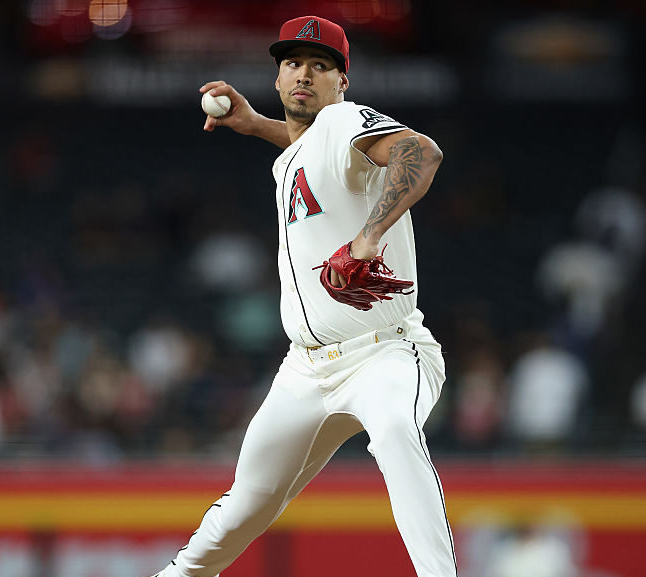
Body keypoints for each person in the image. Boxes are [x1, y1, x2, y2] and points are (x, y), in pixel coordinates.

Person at [150, 15, 454, 577]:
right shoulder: (296, 151)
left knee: (394, 433)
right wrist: (256, 124)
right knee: (248, 502)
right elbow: (311, 151)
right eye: (293, 63)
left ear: (343, 82)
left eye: (321, 66)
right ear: (277, 76)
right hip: (305, 370)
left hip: (382, 352)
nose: (305, 76)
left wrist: (367, 239)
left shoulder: (342, 119)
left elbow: (422, 152)